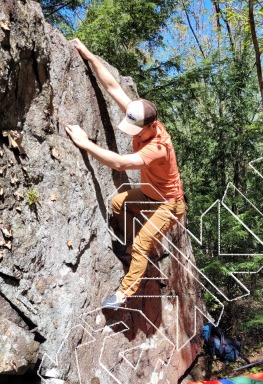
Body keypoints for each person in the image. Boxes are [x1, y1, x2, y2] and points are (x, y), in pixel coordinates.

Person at [65, 39, 186, 309]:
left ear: (151, 126)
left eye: (137, 131)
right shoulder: (138, 115)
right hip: (148, 193)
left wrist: (85, 143)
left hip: (168, 203)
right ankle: (130, 246)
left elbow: (120, 163)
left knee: (144, 245)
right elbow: (112, 87)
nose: (133, 134)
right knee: (118, 203)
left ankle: (124, 294)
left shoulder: (158, 147)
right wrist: (89, 54)